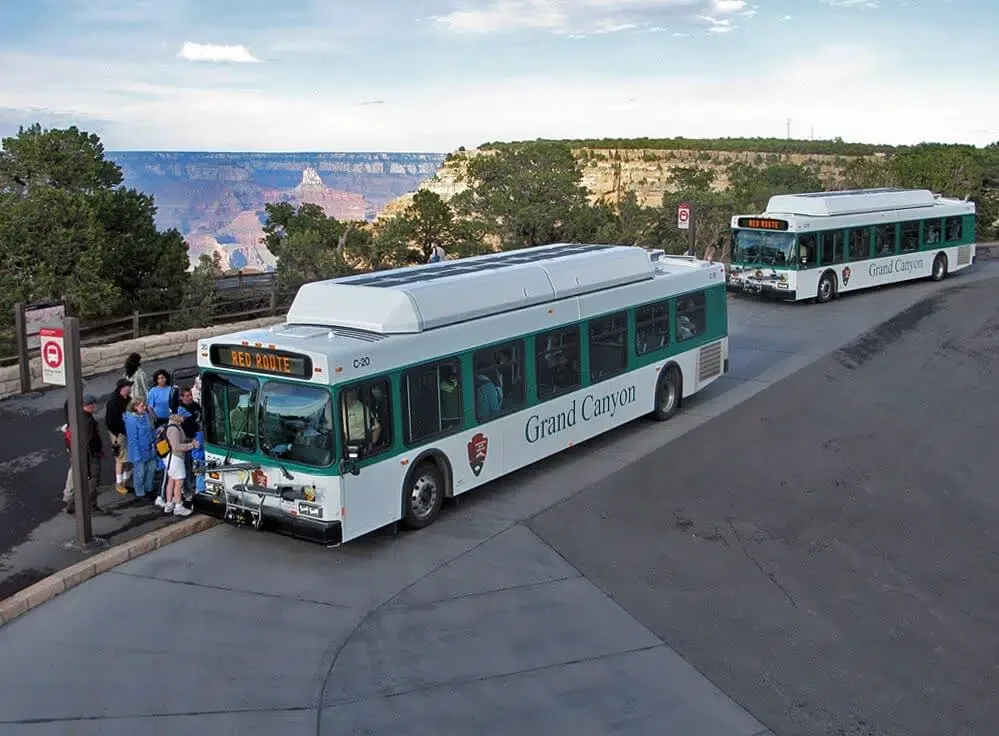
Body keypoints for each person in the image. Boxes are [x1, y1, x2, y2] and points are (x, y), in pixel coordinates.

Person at [63, 393, 103, 515]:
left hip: (78, 453)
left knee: (80, 480)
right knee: (92, 481)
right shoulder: (89, 421)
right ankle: (91, 506)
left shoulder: (75, 417)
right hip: (90, 455)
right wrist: (96, 451)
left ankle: (72, 503)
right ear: (90, 406)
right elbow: (90, 440)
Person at [162, 413, 197, 516]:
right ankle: (178, 506)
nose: (185, 418)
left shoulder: (175, 426)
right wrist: (192, 445)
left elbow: (180, 440)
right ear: (178, 417)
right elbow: (176, 446)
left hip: (171, 458)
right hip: (176, 458)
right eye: (183, 416)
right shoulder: (174, 429)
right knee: (179, 482)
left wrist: (189, 441)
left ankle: (169, 504)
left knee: (171, 480)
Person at [124, 397, 156, 501]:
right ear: (135, 407)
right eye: (142, 406)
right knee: (140, 473)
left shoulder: (145, 415)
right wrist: (137, 455)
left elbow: (151, 429)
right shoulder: (132, 420)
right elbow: (133, 439)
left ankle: (149, 489)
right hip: (139, 451)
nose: (144, 407)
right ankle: (140, 493)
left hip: (149, 448)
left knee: (151, 470)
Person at [105, 377, 132, 494]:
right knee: (121, 458)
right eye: (128, 387)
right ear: (122, 388)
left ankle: (126, 481)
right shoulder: (113, 402)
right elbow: (110, 422)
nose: (130, 389)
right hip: (119, 433)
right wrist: (117, 434)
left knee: (128, 458)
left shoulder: (127, 399)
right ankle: (119, 483)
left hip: (127, 431)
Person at [177, 385, 203, 498]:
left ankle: (195, 486)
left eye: (191, 395)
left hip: (197, 438)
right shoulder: (181, 409)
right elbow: (191, 420)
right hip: (187, 440)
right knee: (187, 467)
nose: (190, 397)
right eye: (187, 396)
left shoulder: (196, 405)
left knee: (196, 464)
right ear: (182, 397)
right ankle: (188, 489)